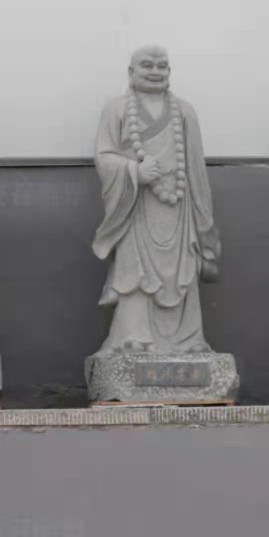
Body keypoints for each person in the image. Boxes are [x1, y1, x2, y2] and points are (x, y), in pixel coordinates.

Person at [92, 44, 219, 355]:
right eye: (147, 65)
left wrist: (204, 223)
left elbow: (196, 168)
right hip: (136, 206)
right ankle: (133, 336)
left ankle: (189, 339)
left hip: (178, 205)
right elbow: (104, 156)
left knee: (183, 271)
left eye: (162, 66)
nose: (155, 71)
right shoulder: (117, 109)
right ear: (131, 71)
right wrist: (134, 172)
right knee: (136, 273)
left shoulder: (184, 111)